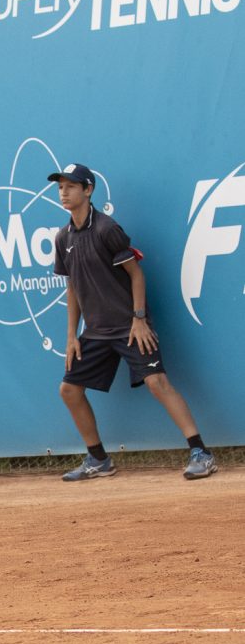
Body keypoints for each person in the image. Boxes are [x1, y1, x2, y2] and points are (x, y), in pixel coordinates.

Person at [49, 163, 216, 481]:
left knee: (158, 383)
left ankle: (201, 452)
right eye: (60, 187)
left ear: (88, 190)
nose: (64, 192)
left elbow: (136, 274)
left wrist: (139, 319)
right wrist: (72, 335)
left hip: (129, 326)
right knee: (69, 390)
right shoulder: (62, 238)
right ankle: (98, 460)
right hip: (96, 331)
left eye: (71, 186)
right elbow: (73, 288)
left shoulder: (106, 229)